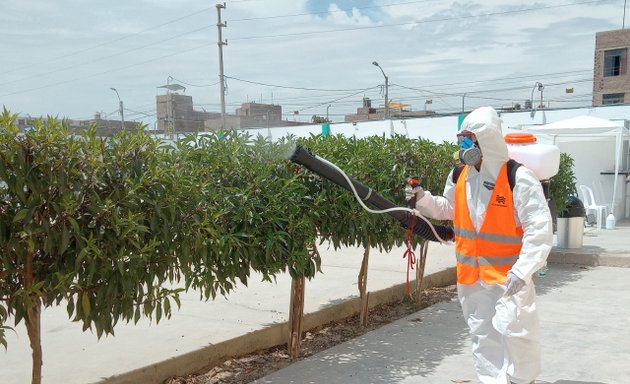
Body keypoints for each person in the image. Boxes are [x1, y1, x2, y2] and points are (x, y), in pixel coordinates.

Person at [405, 106, 553, 384]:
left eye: (469, 140)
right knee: (483, 334)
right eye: (462, 140)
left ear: (487, 140)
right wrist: (423, 199)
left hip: (508, 278)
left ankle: (522, 381)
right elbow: (449, 208)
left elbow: (540, 229)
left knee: (517, 334)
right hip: (471, 277)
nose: (464, 146)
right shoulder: (460, 174)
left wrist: (523, 271)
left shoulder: (517, 178)